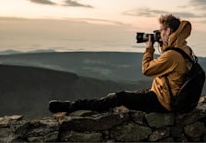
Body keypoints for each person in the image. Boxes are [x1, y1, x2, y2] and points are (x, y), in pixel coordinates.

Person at [49, 14, 193, 113]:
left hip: (163, 101)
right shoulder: (184, 49)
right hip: (168, 97)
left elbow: (147, 70)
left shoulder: (172, 55)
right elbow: (169, 65)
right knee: (129, 95)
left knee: (120, 97)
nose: (159, 34)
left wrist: (149, 48)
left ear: (168, 31)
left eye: (161, 31)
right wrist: (163, 44)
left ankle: (72, 106)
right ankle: (75, 105)